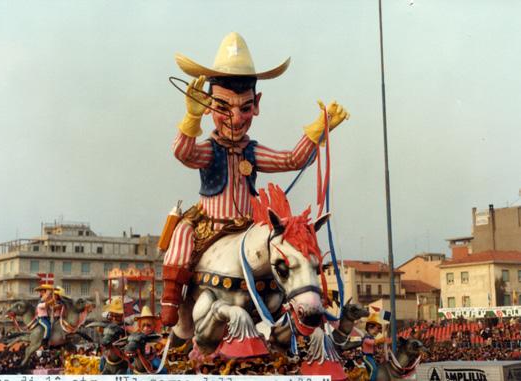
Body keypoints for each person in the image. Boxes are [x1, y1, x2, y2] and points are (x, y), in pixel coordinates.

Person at [161, 31, 349, 327]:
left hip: (250, 227)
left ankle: (296, 304)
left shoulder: (253, 150)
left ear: (256, 104)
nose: (236, 118)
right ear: (208, 104)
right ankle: (172, 303)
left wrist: (317, 129)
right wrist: (191, 119)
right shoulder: (209, 151)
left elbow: (291, 160)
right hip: (209, 225)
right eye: (223, 107)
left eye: (244, 108)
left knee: (282, 246)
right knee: (182, 235)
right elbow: (183, 153)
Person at [362, 313, 388, 381]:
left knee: (380, 368)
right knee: (374, 369)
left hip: (372, 357)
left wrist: (380, 351)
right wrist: (380, 340)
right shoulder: (366, 337)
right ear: (370, 327)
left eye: (380, 328)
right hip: (366, 357)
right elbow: (371, 342)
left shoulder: (372, 338)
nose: (379, 331)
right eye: (378, 328)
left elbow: (375, 347)